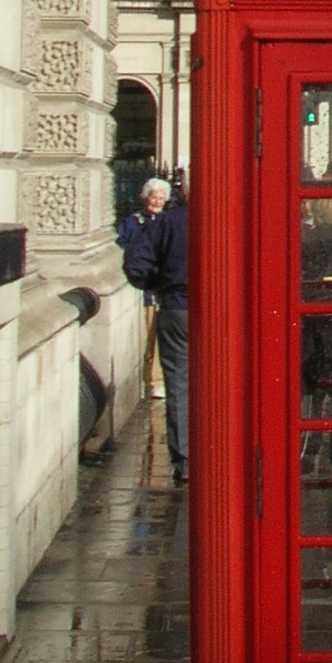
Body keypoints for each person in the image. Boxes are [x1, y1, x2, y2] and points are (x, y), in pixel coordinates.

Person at [119, 177, 189, 483]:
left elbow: (135, 264)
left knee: (178, 385)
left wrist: (157, 286)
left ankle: (185, 460)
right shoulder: (240, 217)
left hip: (176, 309)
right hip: (226, 314)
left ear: (184, 190)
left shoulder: (168, 223)